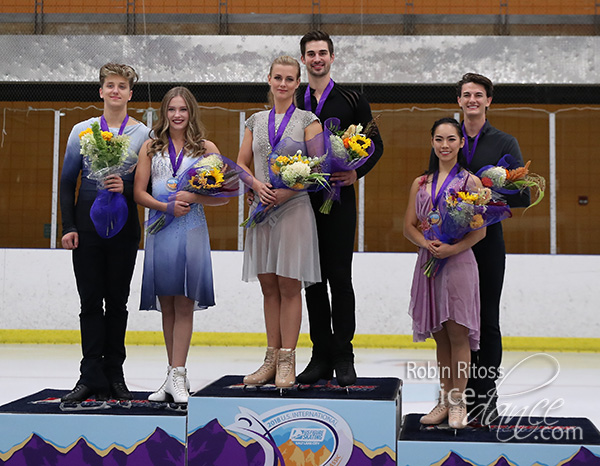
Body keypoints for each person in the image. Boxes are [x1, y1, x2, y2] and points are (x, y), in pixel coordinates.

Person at [430, 73, 530, 422]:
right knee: (449, 324)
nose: (472, 100)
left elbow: (524, 194)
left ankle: (484, 399)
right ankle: (452, 396)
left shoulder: (504, 142)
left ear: (489, 101)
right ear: (459, 100)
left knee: (485, 321)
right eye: (466, 95)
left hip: (487, 246)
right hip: (450, 245)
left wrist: (489, 196)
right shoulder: (447, 137)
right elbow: (433, 188)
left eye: (478, 95)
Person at [296, 30, 384, 387]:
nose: (317, 59)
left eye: (322, 53)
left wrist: (356, 171)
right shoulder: (294, 97)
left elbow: (376, 143)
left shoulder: (353, 98)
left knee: (339, 278)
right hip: (301, 201)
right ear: (303, 59)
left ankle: (344, 354)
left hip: (339, 199)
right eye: (311, 54)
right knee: (312, 281)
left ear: (332, 57)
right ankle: (320, 355)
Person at [60, 63, 150, 402]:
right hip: (86, 226)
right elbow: (68, 181)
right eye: (110, 85)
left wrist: (124, 188)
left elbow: (147, 185)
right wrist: (69, 226)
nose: (115, 91)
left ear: (130, 93)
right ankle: (89, 375)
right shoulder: (81, 131)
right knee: (89, 303)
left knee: (117, 302)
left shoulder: (142, 134)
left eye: (122, 86)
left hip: (124, 227)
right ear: (101, 91)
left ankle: (115, 374)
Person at [134, 87, 228, 403]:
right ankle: (171, 375)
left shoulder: (205, 149)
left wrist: (193, 196)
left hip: (191, 230)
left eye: (183, 110)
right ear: (164, 112)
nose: (177, 115)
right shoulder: (151, 147)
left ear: (191, 113)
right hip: (160, 229)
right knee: (167, 304)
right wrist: (165, 208)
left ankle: (179, 374)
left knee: (185, 301)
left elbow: (220, 196)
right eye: (172, 109)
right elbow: (139, 194)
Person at [237, 55, 323, 389]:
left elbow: (319, 169)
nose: (283, 84)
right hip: (261, 209)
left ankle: (288, 359)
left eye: (289, 78)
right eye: (278, 77)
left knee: (289, 286)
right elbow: (242, 163)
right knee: (268, 287)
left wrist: (287, 192)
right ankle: (270, 359)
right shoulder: (255, 121)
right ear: (269, 80)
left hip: (293, 209)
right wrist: (256, 185)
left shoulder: (308, 120)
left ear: (297, 83)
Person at [405, 117, 487, 429]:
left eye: (451, 139)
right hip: (429, 264)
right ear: (432, 142)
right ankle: (443, 399)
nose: (445, 145)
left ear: (461, 142)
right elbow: (408, 226)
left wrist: (451, 249)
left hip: (458, 264)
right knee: (440, 337)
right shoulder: (421, 183)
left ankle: (458, 403)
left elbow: (480, 232)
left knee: (458, 334)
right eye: (439, 139)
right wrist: (426, 243)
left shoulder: (471, 183)